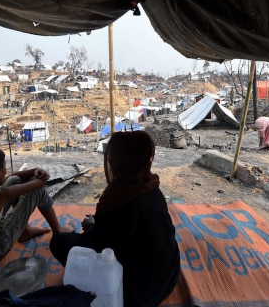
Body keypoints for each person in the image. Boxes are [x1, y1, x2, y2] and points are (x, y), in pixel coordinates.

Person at [50, 131, 180, 307]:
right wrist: (100, 225)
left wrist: (90, 228)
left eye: (111, 160)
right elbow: (124, 232)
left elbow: (101, 246)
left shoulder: (117, 199)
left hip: (136, 293)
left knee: (58, 242)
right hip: (169, 276)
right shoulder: (151, 187)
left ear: (119, 163)